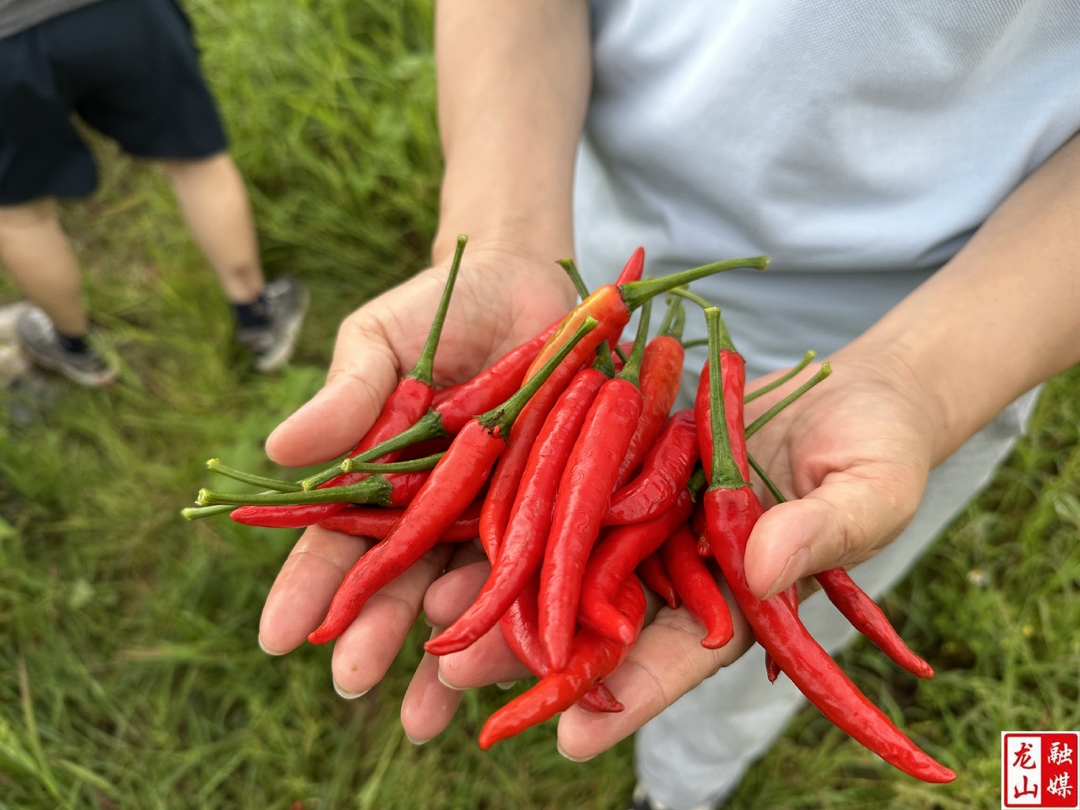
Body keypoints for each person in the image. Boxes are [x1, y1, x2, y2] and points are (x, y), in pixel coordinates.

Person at [255, 2, 1080, 808]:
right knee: (718, 597)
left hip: (956, 333)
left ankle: (684, 784)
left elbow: (593, 516)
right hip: (570, 267)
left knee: (761, 612)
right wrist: (504, 237)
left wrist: (919, 385)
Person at [0, 0, 308, 386]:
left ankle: (78, 348)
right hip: (117, 13)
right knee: (198, 163)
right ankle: (259, 317)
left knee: (18, 214)